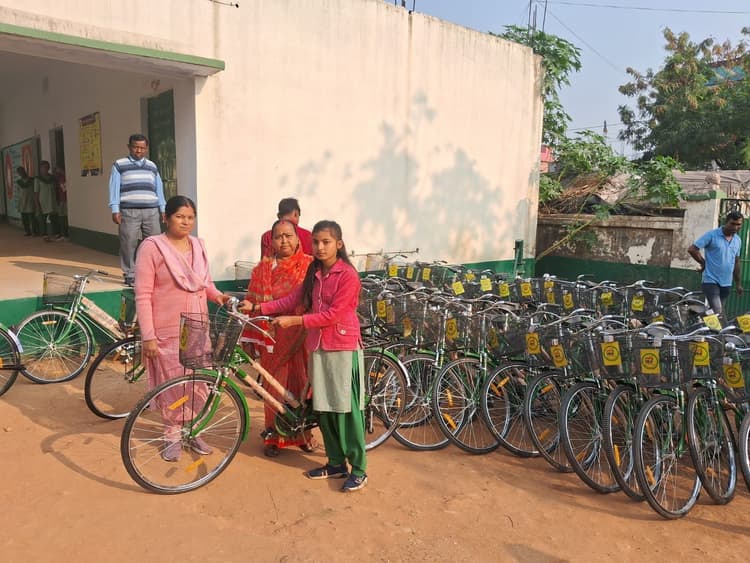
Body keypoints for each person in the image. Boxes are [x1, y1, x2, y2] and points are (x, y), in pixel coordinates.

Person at [243, 220, 368, 493]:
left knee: (346, 411)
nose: (320, 247)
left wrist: (296, 321)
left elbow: (333, 314)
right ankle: (335, 463)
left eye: (326, 242)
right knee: (323, 408)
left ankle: (359, 469)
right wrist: (256, 307)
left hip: (342, 347)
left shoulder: (348, 275)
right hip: (318, 347)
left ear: (339, 244)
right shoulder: (315, 271)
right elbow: (291, 300)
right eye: (316, 242)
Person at [135, 195, 230, 462]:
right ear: (166, 218)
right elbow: (142, 294)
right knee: (172, 385)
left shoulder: (198, 246)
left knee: (198, 383)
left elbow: (205, 283)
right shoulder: (152, 248)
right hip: (167, 329)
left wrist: (218, 296)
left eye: (190, 217)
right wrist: (148, 336)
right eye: (179, 216)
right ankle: (172, 436)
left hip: (198, 328)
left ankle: (193, 430)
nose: (186, 222)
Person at [245, 219, 314, 457]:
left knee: (302, 386)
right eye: (278, 236)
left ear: (297, 238)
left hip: (302, 335)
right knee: (273, 389)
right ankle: (273, 437)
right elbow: (252, 301)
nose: (284, 241)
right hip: (273, 337)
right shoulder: (262, 270)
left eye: (288, 235)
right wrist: (251, 335)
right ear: (271, 241)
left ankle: (303, 435)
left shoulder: (310, 265)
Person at [109, 134, 166, 287]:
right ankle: (130, 274)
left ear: (146, 149)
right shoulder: (119, 165)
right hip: (129, 211)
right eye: (135, 147)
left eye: (142, 148)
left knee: (154, 244)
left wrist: (163, 209)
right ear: (129, 147)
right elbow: (114, 188)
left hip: (151, 211)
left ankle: (152, 273)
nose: (138, 150)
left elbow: (159, 189)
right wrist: (115, 209)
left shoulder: (152, 166)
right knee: (128, 243)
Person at [688, 210, 744, 319]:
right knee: (718, 311)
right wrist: (703, 263)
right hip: (711, 280)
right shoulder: (712, 235)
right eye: (732, 224)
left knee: (716, 313)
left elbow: (736, 262)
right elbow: (692, 249)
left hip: (726, 282)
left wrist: (738, 283)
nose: (735, 227)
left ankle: (696, 318)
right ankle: (719, 332)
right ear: (726, 222)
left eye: (738, 225)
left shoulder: (738, 240)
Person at [34, 161, 58, 241]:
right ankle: (45, 235)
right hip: (43, 202)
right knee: (43, 220)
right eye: (43, 167)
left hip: (52, 201)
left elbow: (56, 189)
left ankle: (55, 234)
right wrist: (37, 205)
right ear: (40, 169)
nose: (45, 169)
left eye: (47, 167)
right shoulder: (37, 179)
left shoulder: (52, 178)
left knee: (54, 219)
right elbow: (36, 193)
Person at [16, 166, 38, 236]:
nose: (21, 173)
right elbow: (18, 191)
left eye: (21, 171)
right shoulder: (18, 182)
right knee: (24, 218)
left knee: (32, 217)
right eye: (19, 172)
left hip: (30, 200)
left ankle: (34, 231)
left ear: (24, 171)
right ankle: (27, 231)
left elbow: (35, 190)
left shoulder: (32, 180)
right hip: (22, 201)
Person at [53, 166, 69, 240]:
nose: (56, 172)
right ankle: (62, 233)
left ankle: (64, 234)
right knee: (61, 217)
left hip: (64, 200)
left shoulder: (63, 178)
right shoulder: (58, 179)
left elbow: (64, 189)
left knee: (63, 217)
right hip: (60, 200)